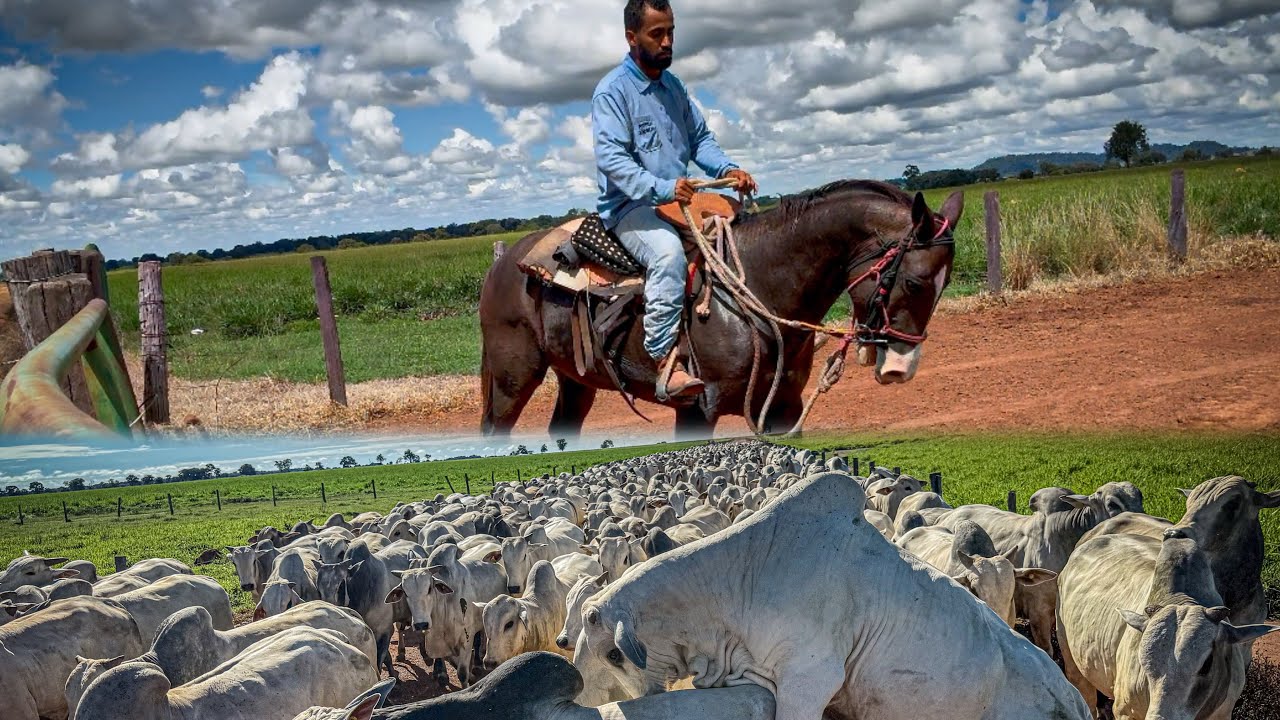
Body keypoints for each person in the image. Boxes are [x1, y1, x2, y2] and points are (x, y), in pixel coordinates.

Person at [592, 0, 757, 399]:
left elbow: (700, 139)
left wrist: (726, 171)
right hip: (633, 207)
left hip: (682, 200)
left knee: (743, 234)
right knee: (667, 255)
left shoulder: (674, 87)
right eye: (656, 34)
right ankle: (664, 362)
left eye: (671, 32)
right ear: (632, 37)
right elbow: (612, 158)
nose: (667, 42)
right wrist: (663, 188)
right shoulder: (612, 92)